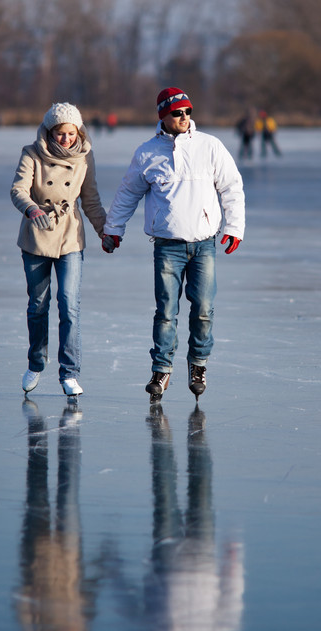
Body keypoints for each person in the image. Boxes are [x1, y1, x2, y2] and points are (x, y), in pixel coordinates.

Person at [101, 87, 245, 400]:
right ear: (163, 116)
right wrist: (113, 229)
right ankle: (162, 370)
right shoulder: (147, 153)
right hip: (167, 246)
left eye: (188, 112)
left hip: (203, 245)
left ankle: (198, 365)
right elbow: (128, 193)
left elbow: (232, 187)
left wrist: (234, 227)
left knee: (204, 309)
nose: (184, 117)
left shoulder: (210, 146)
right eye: (177, 112)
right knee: (166, 311)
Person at [11, 102, 107, 396]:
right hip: (37, 237)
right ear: (50, 132)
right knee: (38, 305)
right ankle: (36, 363)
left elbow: (90, 200)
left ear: (78, 132)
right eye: (59, 134)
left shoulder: (85, 158)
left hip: (69, 238)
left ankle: (70, 373)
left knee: (69, 305)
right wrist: (31, 210)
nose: (65, 139)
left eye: (70, 133)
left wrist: (105, 231)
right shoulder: (31, 153)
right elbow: (18, 190)